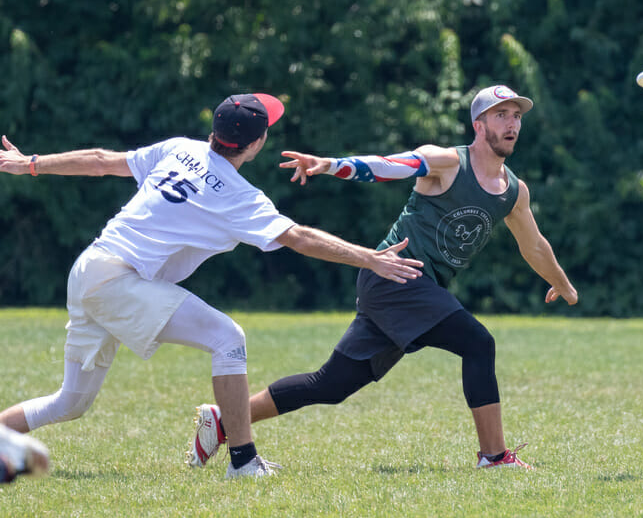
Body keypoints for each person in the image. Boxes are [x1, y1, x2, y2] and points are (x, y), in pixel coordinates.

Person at [0, 92, 423, 480]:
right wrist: (369, 257)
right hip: (119, 282)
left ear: (213, 132)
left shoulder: (179, 148)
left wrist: (30, 163)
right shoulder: (241, 196)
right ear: (255, 146)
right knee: (227, 337)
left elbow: (98, 159)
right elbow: (299, 237)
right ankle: (242, 461)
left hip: (88, 269)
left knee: (70, 402)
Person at [188, 85, 578, 470]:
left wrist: (562, 283)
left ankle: (224, 420)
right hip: (394, 276)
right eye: (500, 115)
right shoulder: (446, 163)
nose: (511, 124)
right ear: (479, 125)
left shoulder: (513, 191)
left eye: (516, 116)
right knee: (478, 343)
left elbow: (535, 246)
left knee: (331, 385)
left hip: (406, 289)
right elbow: (388, 165)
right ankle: (494, 457)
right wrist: (329, 164)